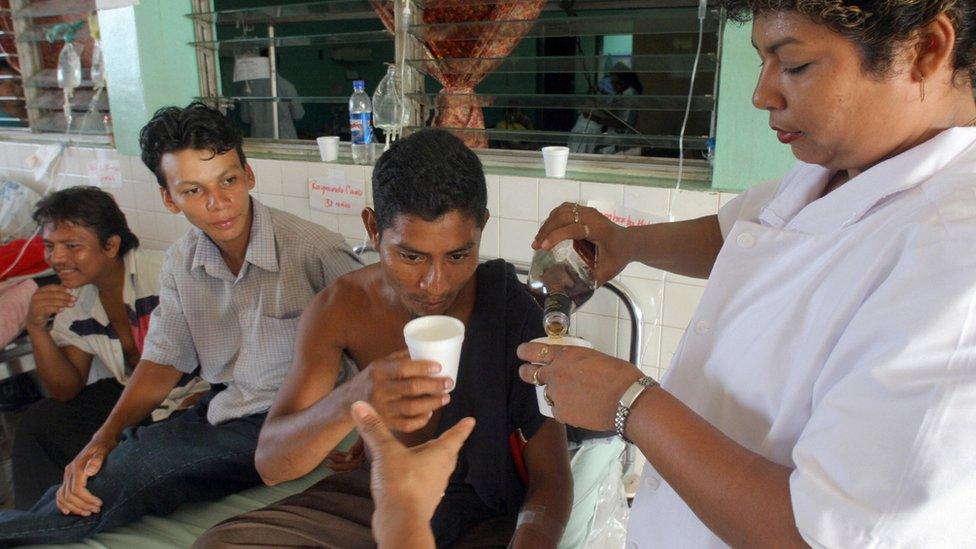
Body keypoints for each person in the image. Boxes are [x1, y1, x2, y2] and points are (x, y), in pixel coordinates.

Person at [523, 0, 976, 546]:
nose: (762, 94)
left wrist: (630, 403)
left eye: (795, 65)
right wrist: (628, 243)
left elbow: (818, 535)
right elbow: (742, 235)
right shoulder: (842, 166)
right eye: (763, 62)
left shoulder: (954, 261)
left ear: (925, 50)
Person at [0, 102, 361, 545]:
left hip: (292, 425)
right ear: (170, 199)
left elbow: (373, 351)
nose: (218, 202)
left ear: (248, 175)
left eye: (228, 180)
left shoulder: (315, 251)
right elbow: (163, 362)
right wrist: (104, 436)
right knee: (115, 455)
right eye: (193, 190)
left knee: (135, 468)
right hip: (223, 410)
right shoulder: (181, 263)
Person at [195, 128, 572, 548]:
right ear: (373, 229)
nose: (435, 283)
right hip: (377, 494)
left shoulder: (509, 310)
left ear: (481, 227)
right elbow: (272, 465)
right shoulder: (341, 308)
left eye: (458, 255)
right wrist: (355, 395)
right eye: (411, 256)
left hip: (480, 512)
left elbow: (551, 477)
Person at [15, 186, 210, 510]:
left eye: (72, 246)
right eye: (50, 247)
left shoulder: (166, 273)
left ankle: (81, 506)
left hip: (195, 396)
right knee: (40, 423)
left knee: (136, 456)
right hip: (136, 397)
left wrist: (211, 395)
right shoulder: (72, 298)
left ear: (111, 245)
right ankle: (40, 519)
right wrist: (36, 328)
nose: (57, 258)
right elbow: (65, 389)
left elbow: (230, 343)